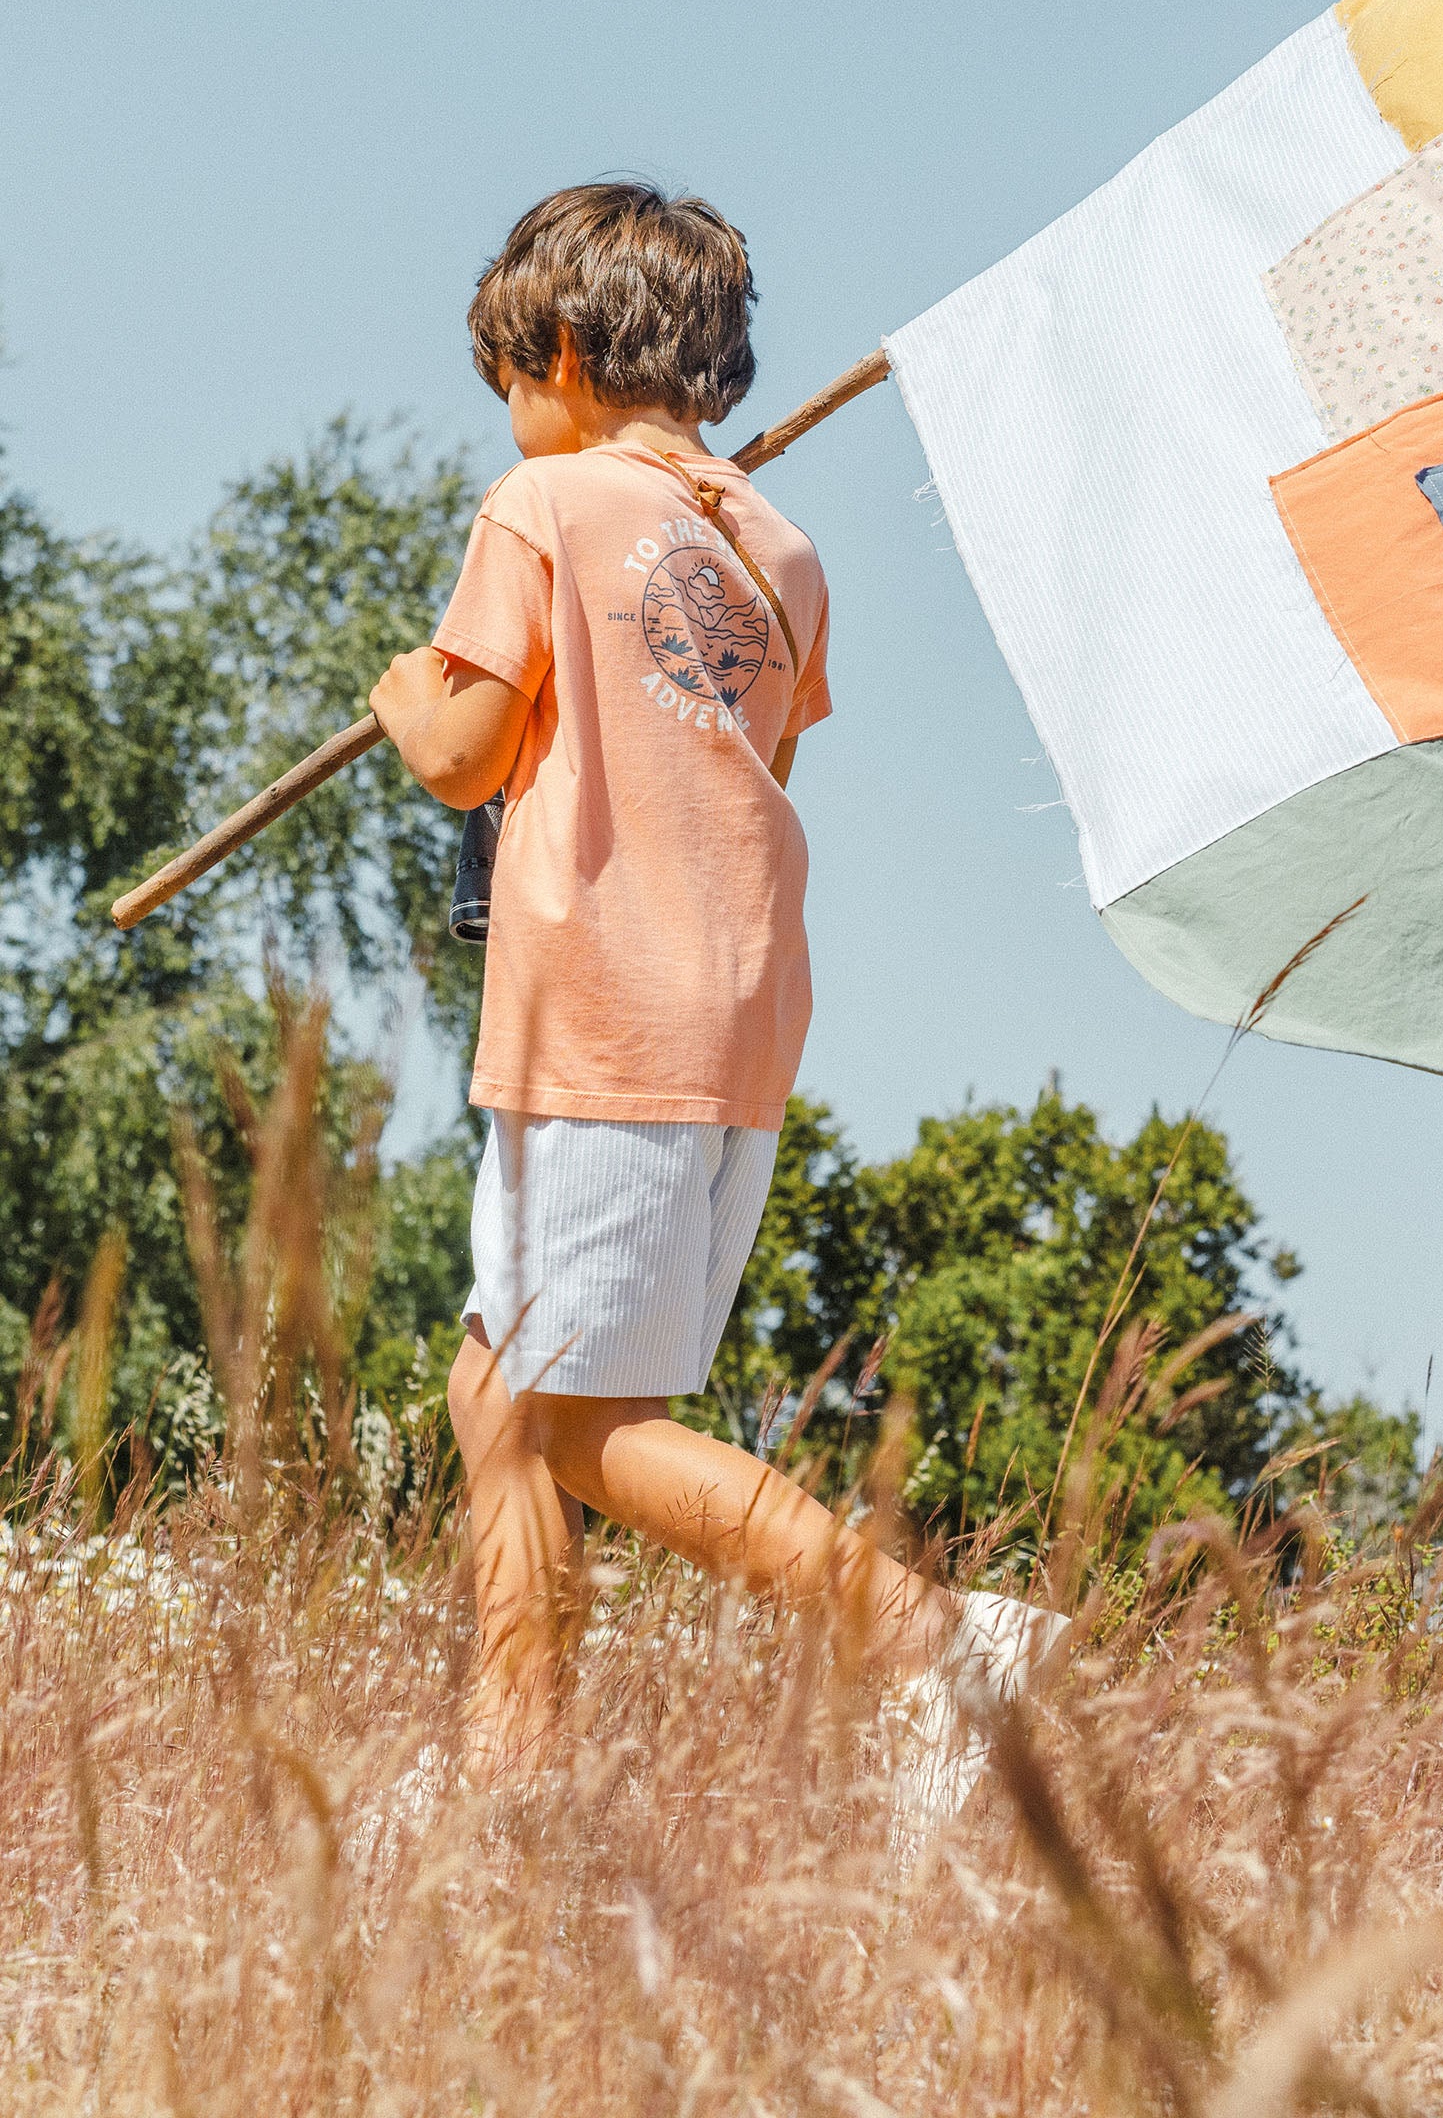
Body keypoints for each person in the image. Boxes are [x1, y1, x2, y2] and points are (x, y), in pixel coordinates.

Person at [369, 181, 1059, 1829]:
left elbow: (464, 749)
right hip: (735, 1024)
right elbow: (754, 768)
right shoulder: (781, 548)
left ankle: (941, 1642)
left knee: (578, 1420)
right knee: (501, 1395)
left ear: (551, 352)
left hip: (595, 1008)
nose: (514, 420)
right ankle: (512, 1765)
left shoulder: (542, 506)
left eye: (511, 388)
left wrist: (404, 696)